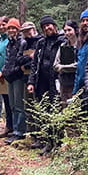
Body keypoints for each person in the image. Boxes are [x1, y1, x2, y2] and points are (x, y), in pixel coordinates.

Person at [28, 15, 64, 152]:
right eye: (44, 27)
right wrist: (31, 81)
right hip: (40, 81)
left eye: (49, 25)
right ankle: (44, 139)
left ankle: (55, 141)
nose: (47, 28)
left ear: (54, 26)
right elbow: (35, 64)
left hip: (55, 81)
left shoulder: (62, 41)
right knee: (42, 111)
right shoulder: (41, 43)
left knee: (55, 111)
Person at [1, 18, 31, 145]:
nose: (11, 30)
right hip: (10, 76)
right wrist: (5, 70)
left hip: (18, 76)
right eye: (9, 28)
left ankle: (20, 132)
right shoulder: (9, 42)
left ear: (18, 29)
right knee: (12, 105)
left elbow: (22, 59)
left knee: (19, 105)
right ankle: (14, 129)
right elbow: (8, 59)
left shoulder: (21, 42)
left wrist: (16, 69)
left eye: (13, 28)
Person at [0, 16, 14, 138]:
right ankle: (8, 126)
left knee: (13, 102)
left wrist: (5, 71)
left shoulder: (11, 40)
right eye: (0, 25)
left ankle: (15, 126)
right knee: (6, 102)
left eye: (4, 24)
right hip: (1, 75)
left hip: (10, 74)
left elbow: (10, 58)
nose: (2, 27)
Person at [54, 20, 79, 103]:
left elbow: (79, 65)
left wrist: (63, 67)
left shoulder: (81, 45)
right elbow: (55, 65)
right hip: (64, 83)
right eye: (65, 31)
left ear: (75, 30)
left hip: (76, 83)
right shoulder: (63, 46)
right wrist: (66, 67)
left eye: (69, 30)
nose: (67, 33)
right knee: (65, 108)